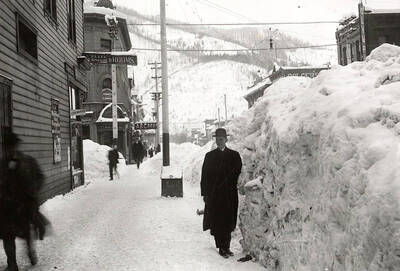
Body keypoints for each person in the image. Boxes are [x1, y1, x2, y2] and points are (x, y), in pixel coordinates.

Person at [0, 130, 50, 271]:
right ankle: (12, 264)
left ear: (16, 146)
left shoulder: (28, 161)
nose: (9, 149)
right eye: (7, 147)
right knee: (7, 235)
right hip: (6, 206)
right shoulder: (2, 163)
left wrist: (33, 191)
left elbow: (40, 177)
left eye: (11, 146)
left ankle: (30, 252)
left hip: (23, 205)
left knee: (26, 232)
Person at [200, 128, 242, 259]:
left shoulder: (234, 156)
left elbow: (237, 172)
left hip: (229, 195)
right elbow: (204, 176)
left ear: (226, 139)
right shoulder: (210, 156)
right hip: (215, 195)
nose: (220, 141)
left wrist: (228, 183)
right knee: (218, 220)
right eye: (218, 139)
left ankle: (227, 246)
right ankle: (221, 246)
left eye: (222, 138)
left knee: (229, 220)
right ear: (215, 140)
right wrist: (205, 193)